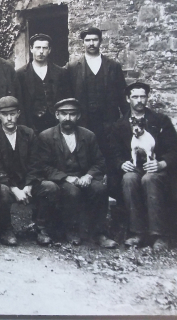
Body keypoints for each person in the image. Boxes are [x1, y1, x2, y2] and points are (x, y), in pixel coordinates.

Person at [31, 98, 117, 248]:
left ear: (78, 116)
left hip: (83, 178)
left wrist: (89, 176)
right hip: (60, 180)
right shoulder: (46, 136)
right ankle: (71, 231)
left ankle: (99, 233)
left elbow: (100, 162)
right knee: (72, 192)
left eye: (72, 114)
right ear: (57, 115)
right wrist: (65, 177)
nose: (68, 118)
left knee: (100, 189)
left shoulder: (88, 136)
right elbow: (42, 166)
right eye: (64, 114)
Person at [110, 82, 177, 250]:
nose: (139, 101)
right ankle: (137, 233)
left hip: (156, 169)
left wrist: (161, 164)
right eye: (135, 97)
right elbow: (113, 152)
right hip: (134, 168)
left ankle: (159, 235)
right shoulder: (119, 125)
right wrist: (122, 164)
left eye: (142, 96)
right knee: (129, 179)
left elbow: (174, 150)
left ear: (147, 98)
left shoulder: (160, 121)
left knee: (149, 179)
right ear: (128, 99)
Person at [67, 27, 128, 162]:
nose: (91, 43)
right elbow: (69, 96)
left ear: (100, 41)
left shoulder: (113, 66)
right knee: (85, 156)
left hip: (109, 122)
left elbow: (122, 95)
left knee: (110, 157)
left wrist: (126, 119)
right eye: (87, 40)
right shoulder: (72, 68)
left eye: (95, 40)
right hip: (84, 121)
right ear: (83, 43)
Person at [0, 96, 37, 246]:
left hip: (26, 181)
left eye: (13, 114)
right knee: (2, 191)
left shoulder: (29, 134)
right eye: (4, 114)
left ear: (18, 114)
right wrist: (14, 189)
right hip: (6, 182)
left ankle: (41, 228)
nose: (9, 118)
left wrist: (29, 185)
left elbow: (36, 164)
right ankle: (6, 230)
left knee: (49, 188)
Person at [16, 34, 71, 133]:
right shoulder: (20, 74)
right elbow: (20, 102)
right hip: (32, 124)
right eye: (37, 47)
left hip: (55, 123)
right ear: (31, 49)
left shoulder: (60, 72)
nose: (41, 51)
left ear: (49, 50)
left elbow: (66, 98)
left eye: (44, 48)